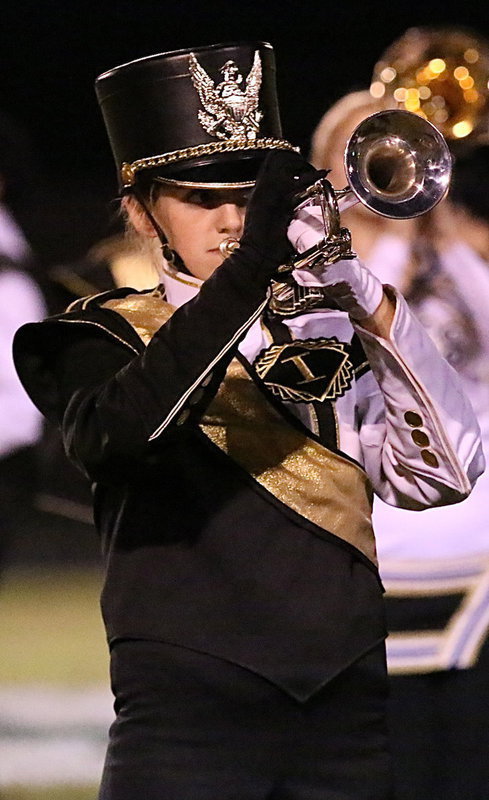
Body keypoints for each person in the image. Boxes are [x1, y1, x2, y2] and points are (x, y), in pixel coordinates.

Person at [12, 42, 484, 800]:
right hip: (185, 726)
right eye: (202, 198)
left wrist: (363, 293)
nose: (233, 218)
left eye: (250, 194)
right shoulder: (90, 337)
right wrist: (245, 276)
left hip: (345, 718)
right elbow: (119, 435)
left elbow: (442, 475)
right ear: (141, 206)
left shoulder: (327, 325)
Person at [310, 37, 489, 799]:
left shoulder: (466, 252)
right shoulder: (326, 269)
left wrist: (442, 225)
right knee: (392, 754)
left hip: (477, 539)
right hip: (385, 534)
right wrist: (388, 230)